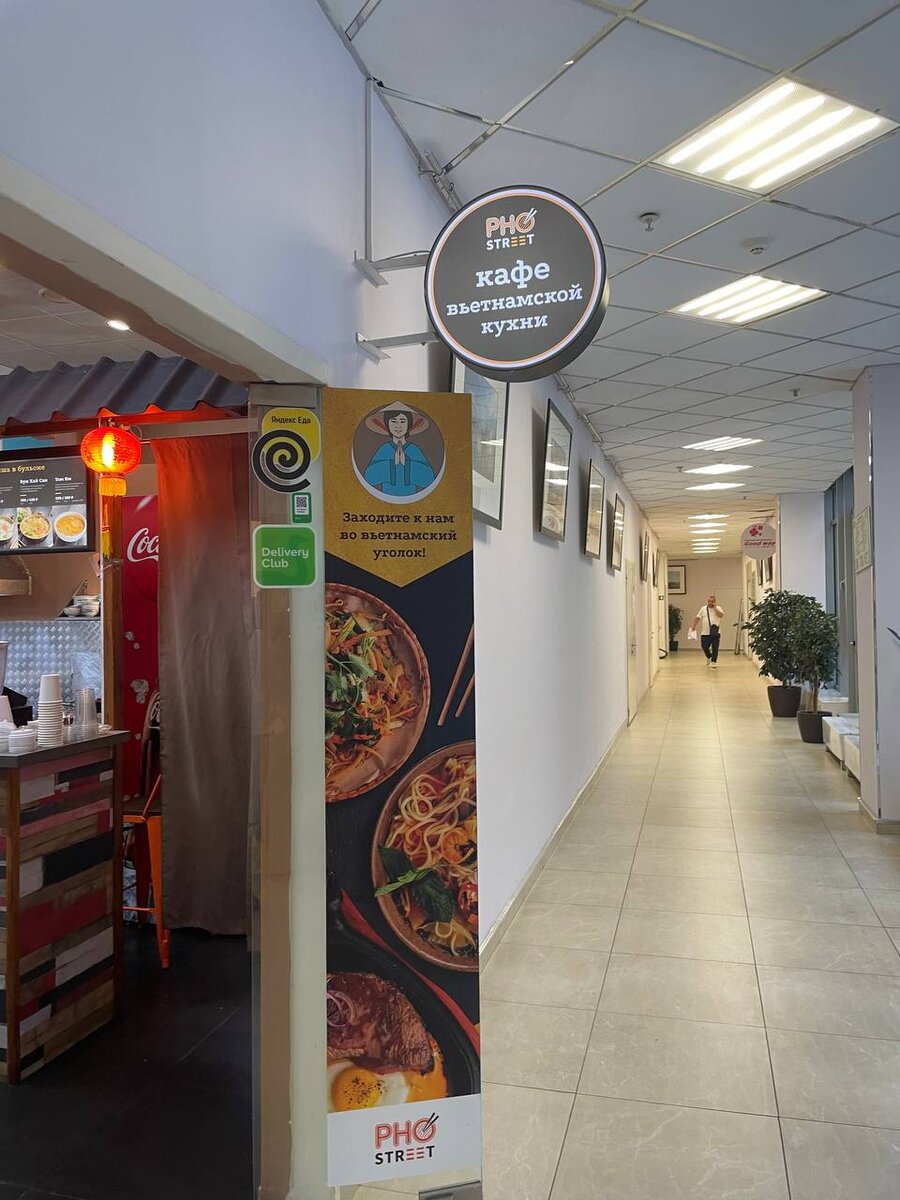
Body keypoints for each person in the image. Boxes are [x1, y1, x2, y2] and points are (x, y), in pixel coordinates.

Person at [362, 406, 436, 497]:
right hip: (386, 498)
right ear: (387, 424)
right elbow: (369, 477)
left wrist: (407, 464)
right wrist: (391, 464)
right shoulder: (385, 449)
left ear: (409, 424)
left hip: (411, 498)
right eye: (393, 421)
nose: (398, 426)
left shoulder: (413, 449)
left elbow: (429, 478)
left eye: (402, 421)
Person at [691, 593, 724, 667]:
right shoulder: (703, 608)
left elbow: (721, 615)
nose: (710, 603)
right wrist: (694, 626)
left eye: (712, 601)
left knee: (715, 647)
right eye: (709, 601)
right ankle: (709, 656)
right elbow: (698, 617)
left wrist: (715, 608)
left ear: (715, 602)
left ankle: (714, 662)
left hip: (715, 632)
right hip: (705, 632)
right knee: (704, 646)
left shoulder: (718, 608)